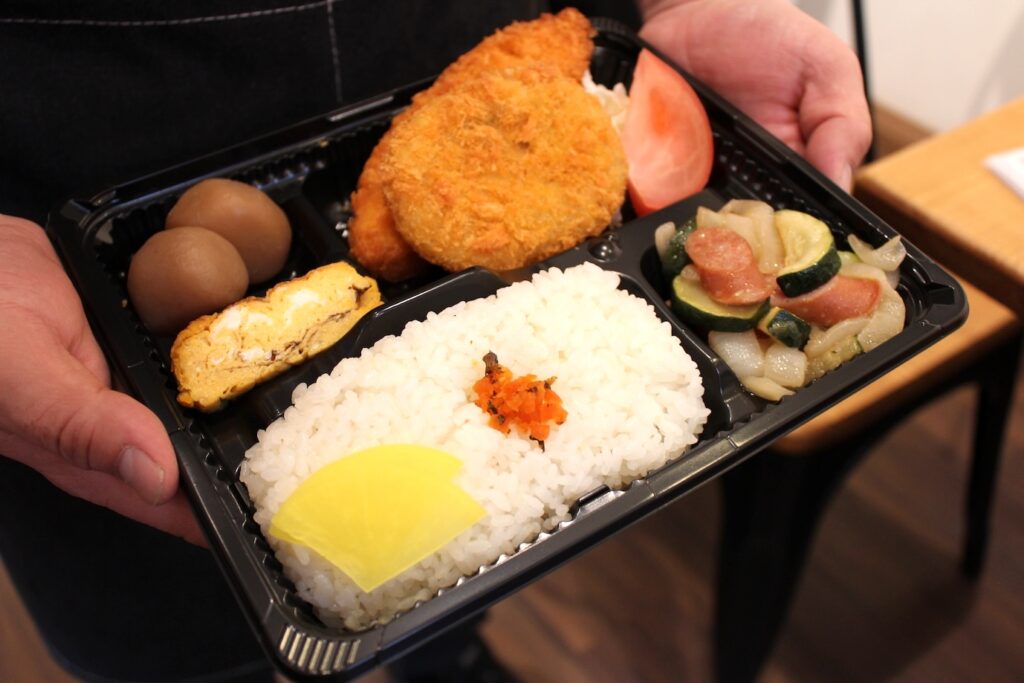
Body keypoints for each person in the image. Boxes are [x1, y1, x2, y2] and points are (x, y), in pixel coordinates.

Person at [0, 0, 870, 680]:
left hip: (454, 33)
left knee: (463, 572)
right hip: (80, 161)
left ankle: (446, 657)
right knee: (180, 629)